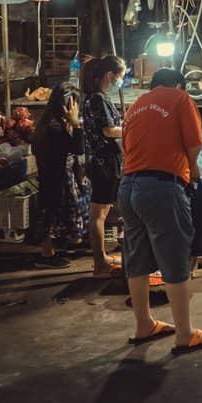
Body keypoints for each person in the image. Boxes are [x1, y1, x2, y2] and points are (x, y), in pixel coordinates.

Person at [118, 68, 202, 354]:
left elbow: (127, 147)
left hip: (128, 186)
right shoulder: (180, 98)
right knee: (175, 258)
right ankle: (185, 334)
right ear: (177, 84)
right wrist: (194, 168)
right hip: (161, 187)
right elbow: (194, 142)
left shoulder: (137, 105)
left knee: (136, 258)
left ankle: (143, 325)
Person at [30, 85, 90, 269]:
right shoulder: (54, 126)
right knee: (51, 213)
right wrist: (75, 124)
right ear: (67, 104)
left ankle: (54, 250)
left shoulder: (51, 121)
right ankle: (47, 254)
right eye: (75, 104)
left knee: (53, 212)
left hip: (55, 175)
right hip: (56, 176)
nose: (77, 108)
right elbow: (77, 148)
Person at [81, 55, 127, 279]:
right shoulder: (97, 99)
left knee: (101, 211)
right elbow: (108, 130)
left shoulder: (96, 97)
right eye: (121, 76)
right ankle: (99, 264)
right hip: (103, 163)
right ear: (110, 75)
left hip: (103, 161)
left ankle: (102, 258)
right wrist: (132, 129)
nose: (122, 80)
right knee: (98, 213)